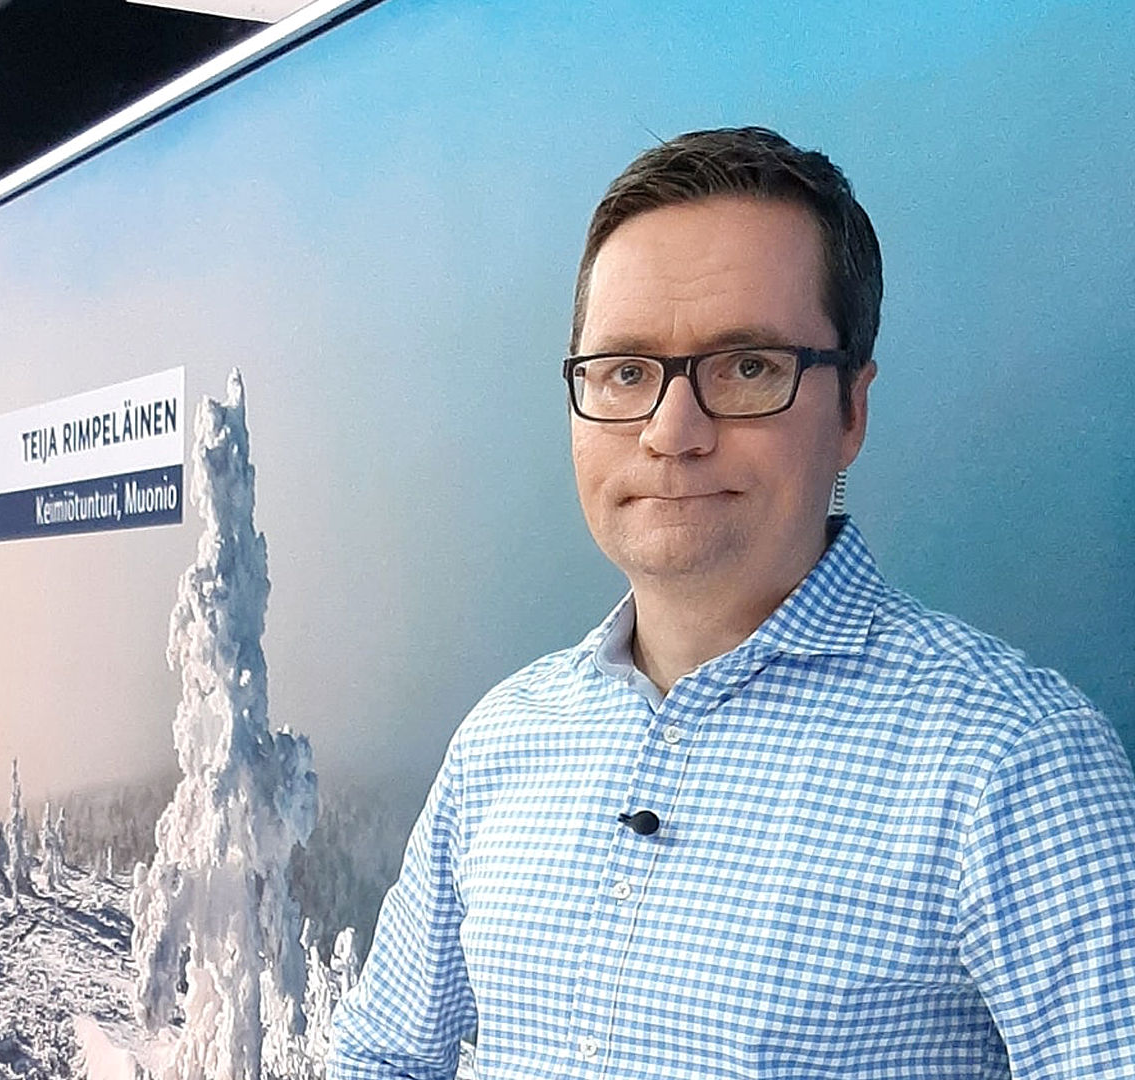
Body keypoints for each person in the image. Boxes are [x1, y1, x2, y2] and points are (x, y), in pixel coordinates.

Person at [326, 127, 1135, 1078]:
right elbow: (382, 1057)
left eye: (747, 367)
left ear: (852, 410)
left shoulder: (1012, 761)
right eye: (626, 372)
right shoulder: (504, 740)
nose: (672, 431)